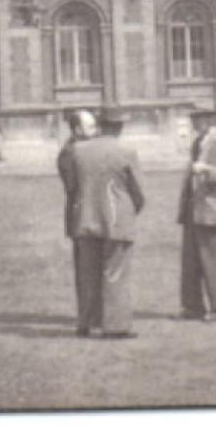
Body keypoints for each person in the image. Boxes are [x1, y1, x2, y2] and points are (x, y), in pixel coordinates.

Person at [70, 105, 146, 339]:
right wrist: (131, 210)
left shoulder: (78, 150)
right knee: (115, 273)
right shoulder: (127, 151)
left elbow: (73, 188)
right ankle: (115, 326)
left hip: (85, 218)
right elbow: (139, 192)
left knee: (88, 274)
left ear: (100, 125)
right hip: (117, 218)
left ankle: (87, 323)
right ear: (120, 126)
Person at [177, 106, 216, 323]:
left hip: (211, 208)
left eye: (199, 118)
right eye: (193, 119)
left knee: (212, 259)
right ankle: (193, 306)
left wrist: (207, 170)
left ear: (210, 119)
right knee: (190, 260)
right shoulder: (197, 142)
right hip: (192, 208)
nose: (195, 123)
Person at [55, 108, 96, 334]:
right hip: (82, 219)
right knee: (86, 272)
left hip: (94, 216)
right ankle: (86, 321)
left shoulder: (87, 149)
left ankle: (97, 317)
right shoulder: (69, 153)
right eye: (90, 127)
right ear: (77, 129)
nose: (95, 131)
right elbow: (74, 189)